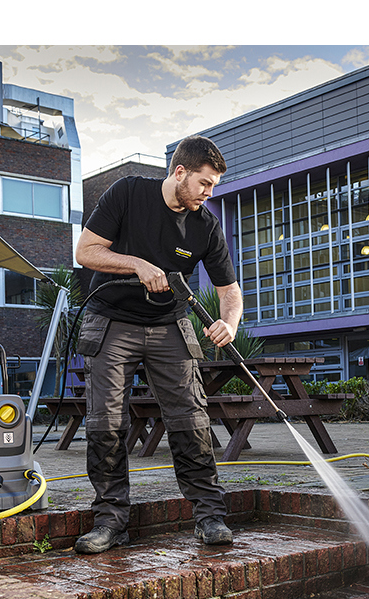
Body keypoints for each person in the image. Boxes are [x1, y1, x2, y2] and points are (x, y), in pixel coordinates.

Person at [72, 135, 243, 554]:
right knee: (105, 422)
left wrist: (229, 323)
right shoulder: (128, 192)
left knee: (191, 420)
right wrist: (137, 265)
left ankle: (209, 516)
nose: (209, 193)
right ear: (180, 172)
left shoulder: (205, 224)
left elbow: (230, 290)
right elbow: (85, 251)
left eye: (214, 186)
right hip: (112, 319)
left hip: (169, 324)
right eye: (205, 183)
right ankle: (110, 522)